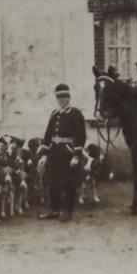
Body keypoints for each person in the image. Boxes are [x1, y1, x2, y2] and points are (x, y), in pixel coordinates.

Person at [39, 83, 88, 222]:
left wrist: (76, 156)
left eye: (64, 97)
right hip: (54, 152)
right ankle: (54, 210)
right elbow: (48, 135)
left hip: (68, 152)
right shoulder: (54, 113)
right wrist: (43, 154)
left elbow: (80, 135)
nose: (61, 100)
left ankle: (67, 211)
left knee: (68, 182)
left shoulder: (75, 113)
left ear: (69, 98)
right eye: (59, 97)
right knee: (52, 182)